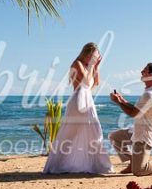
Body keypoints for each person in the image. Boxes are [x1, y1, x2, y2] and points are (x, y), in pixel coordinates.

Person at [43, 43, 114, 174]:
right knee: (70, 133)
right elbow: (86, 82)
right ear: (87, 53)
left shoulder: (88, 66)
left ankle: (93, 164)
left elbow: (95, 83)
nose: (94, 59)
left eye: (96, 57)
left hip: (88, 100)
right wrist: (92, 65)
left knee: (93, 131)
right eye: (93, 56)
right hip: (78, 101)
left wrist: (96, 67)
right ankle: (58, 165)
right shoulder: (77, 64)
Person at [108, 63, 152, 175]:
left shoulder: (150, 95)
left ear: (151, 75)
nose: (141, 72)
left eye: (145, 70)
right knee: (114, 137)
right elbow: (137, 109)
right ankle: (133, 161)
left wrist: (118, 102)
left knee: (139, 171)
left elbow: (134, 113)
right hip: (136, 131)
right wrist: (122, 100)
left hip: (144, 137)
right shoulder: (151, 91)